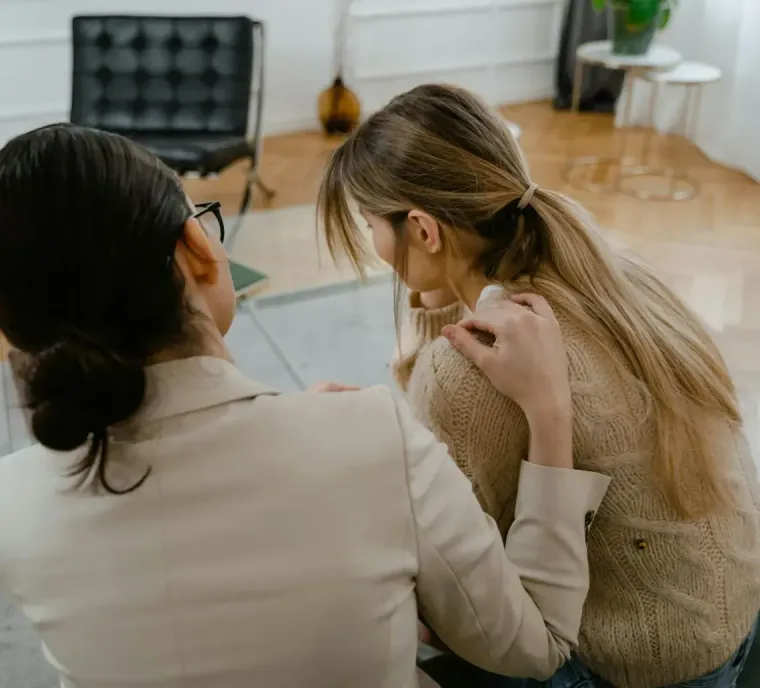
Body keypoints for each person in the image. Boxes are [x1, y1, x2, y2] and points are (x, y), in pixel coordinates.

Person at [0, 123, 611, 688]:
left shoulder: (13, 506)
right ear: (196, 246)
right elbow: (537, 645)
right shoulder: (372, 436)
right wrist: (549, 410)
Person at [318, 83, 760, 688]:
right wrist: (435, 296)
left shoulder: (466, 371)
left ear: (422, 230)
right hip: (729, 622)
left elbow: (467, 591)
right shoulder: (609, 273)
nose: (374, 247)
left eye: (372, 225)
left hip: (635, 667)